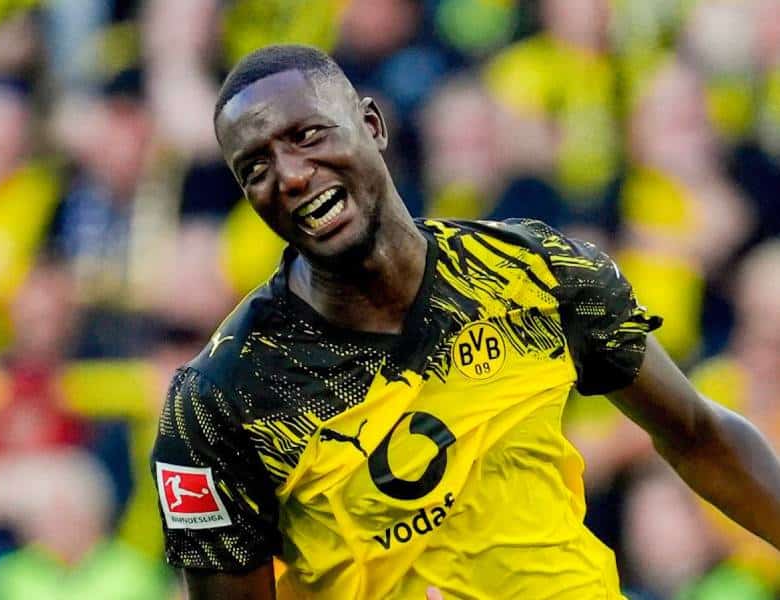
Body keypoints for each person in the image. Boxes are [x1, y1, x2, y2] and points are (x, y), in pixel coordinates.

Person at [150, 44, 780, 600]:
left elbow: (696, 432)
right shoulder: (220, 398)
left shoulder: (533, 270)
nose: (289, 176)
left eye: (308, 135)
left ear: (372, 125)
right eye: (256, 169)